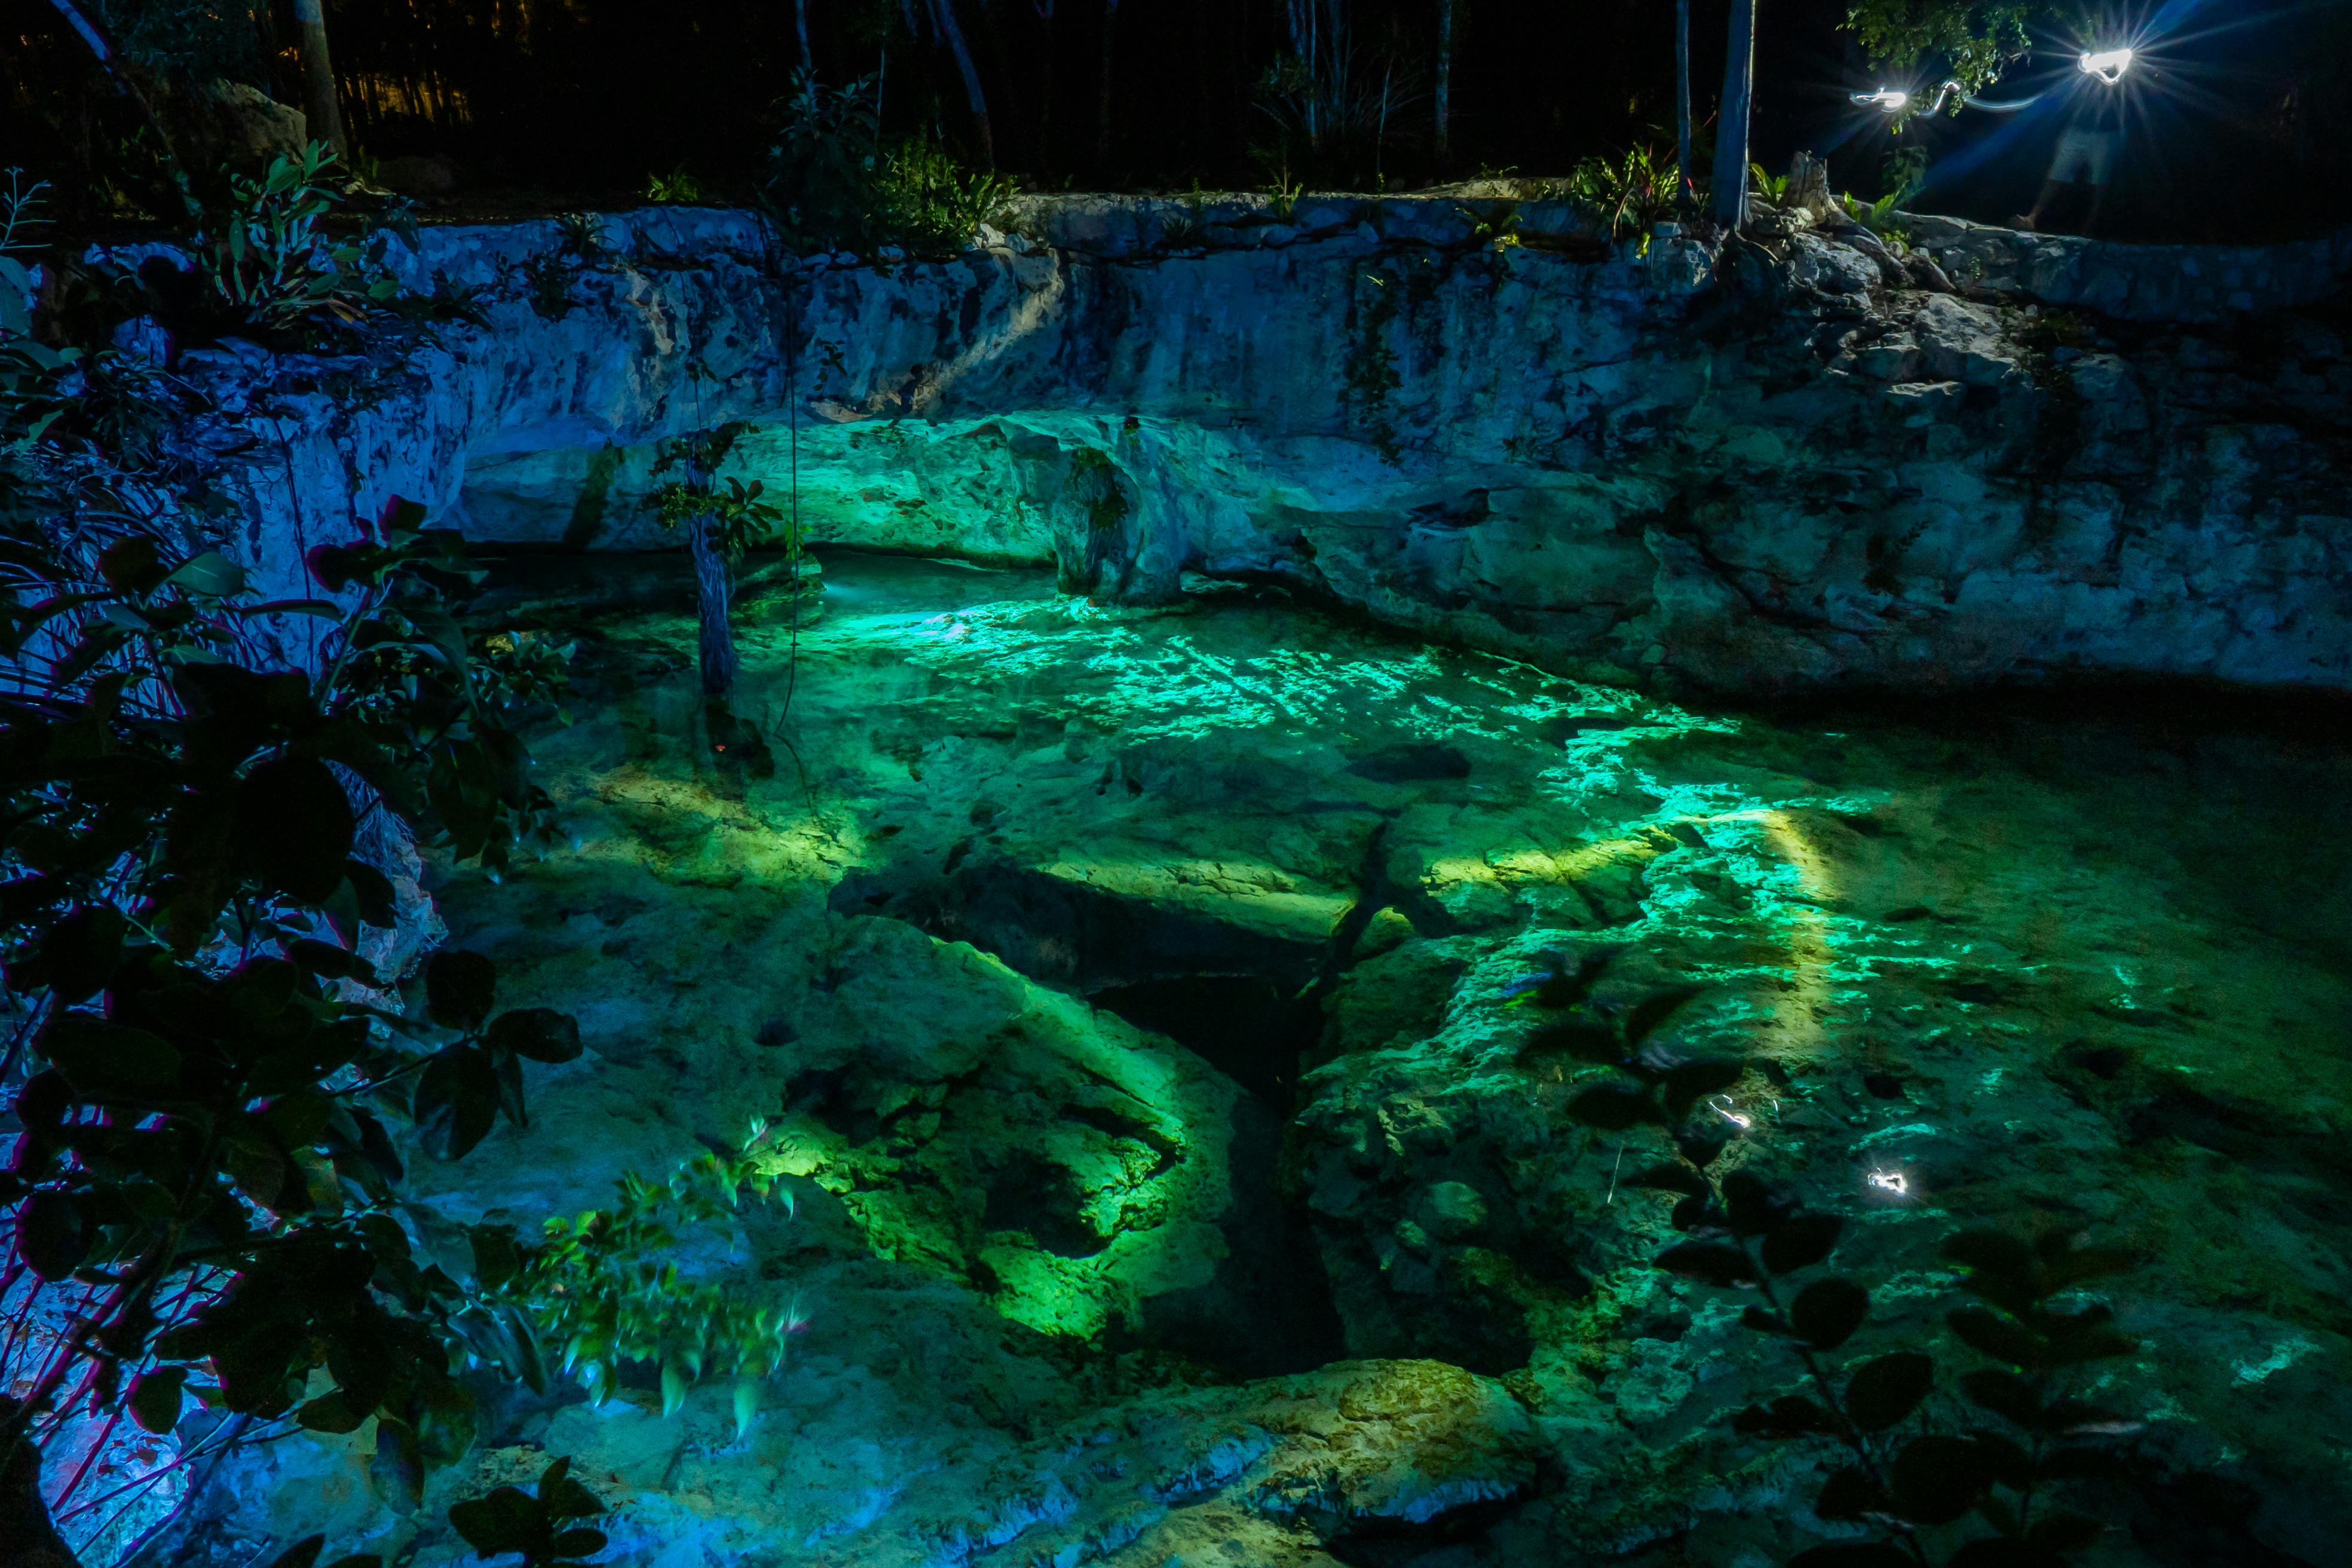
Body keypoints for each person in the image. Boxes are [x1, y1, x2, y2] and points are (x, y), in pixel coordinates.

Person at [2019, 65, 2128, 236]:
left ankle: (2091, 226)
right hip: (2078, 127)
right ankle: (2032, 217)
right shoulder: (2090, 64)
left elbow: (2124, 89)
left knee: (2100, 181)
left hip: (2107, 132)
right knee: (2057, 173)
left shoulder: (2122, 67)